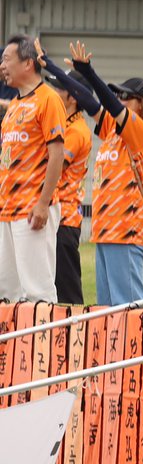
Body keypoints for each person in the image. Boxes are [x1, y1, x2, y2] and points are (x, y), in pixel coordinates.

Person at [60, 42, 143, 305]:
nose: (120, 99)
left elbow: (111, 106)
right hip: (105, 230)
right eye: (119, 95)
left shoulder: (141, 133)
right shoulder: (111, 131)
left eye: (126, 96)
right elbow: (87, 100)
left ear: (141, 105)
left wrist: (91, 73)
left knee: (129, 307)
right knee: (107, 310)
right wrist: (53, 68)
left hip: (125, 231)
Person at [0, 35, 65, 304]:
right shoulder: (14, 105)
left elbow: (57, 154)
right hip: (7, 210)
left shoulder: (48, 99)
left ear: (28, 63)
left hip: (32, 210)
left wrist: (42, 203)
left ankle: (42, 345)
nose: (1, 66)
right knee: (8, 292)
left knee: (37, 291)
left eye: (6, 59)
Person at [45, 68, 95, 304]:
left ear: (73, 98)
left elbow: (53, 164)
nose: (53, 91)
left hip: (64, 221)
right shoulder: (62, 123)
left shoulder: (76, 130)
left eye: (59, 87)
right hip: (54, 218)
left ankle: (75, 337)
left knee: (68, 295)